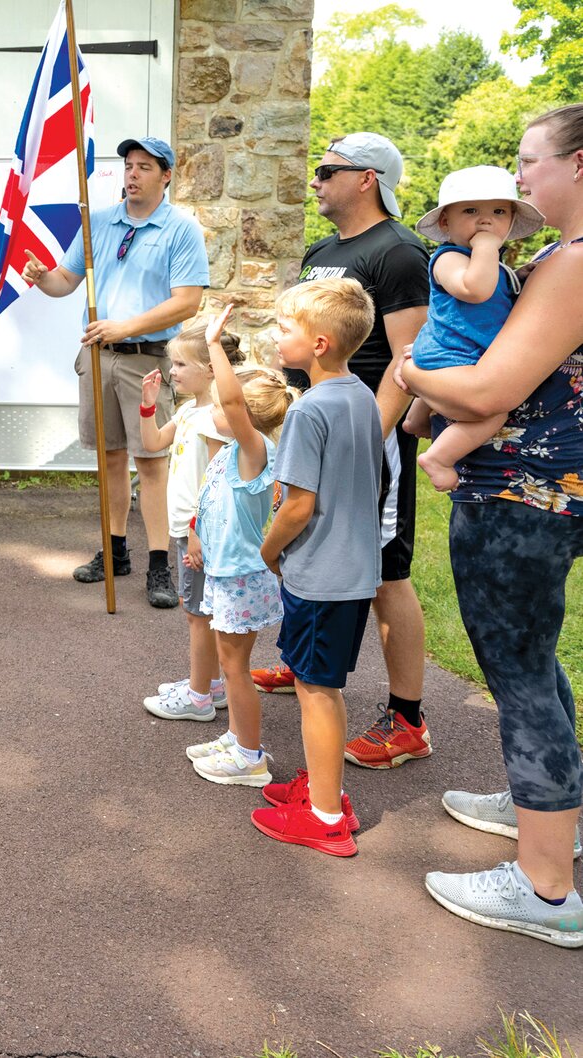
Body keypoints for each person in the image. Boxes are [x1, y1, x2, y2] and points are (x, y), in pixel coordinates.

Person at [401, 104, 583, 947]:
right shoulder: (553, 258)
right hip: (537, 489)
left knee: (515, 672)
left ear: (578, 166)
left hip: (524, 492)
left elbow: (481, 393)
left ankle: (547, 888)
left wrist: (408, 370)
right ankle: (542, 811)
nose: (518, 179)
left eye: (530, 160)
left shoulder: (573, 264)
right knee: (533, 659)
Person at [253, 132, 435, 774]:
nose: (315, 181)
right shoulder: (322, 251)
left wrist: (373, 437)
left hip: (368, 438)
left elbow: (409, 358)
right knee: (312, 543)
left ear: (367, 178)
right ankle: (307, 657)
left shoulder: (401, 250)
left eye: (328, 171)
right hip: (318, 426)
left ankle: (407, 720)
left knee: (386, 570)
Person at [23, 136, 210, 609]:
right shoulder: (98, 223)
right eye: (128, 165)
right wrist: (41, 276)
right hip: (98, 357)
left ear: (166, 175)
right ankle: (114, 552)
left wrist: (124, 326)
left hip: (147, 359)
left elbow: (188, 300)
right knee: (109, 458)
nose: (132, 174)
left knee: (151, 462)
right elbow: (66, 282)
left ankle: (159, 565)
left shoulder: (180, 229)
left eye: (144, 167)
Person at [252, 279, 382, 857]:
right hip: (352, 568)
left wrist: (268, 549)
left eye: (285, 328)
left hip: (320, 573)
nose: (277, 337)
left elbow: (297, 504)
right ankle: (323, 786)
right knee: (319, 684)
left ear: (321, 343)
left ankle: (327, 814)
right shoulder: (360, 396)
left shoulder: (307, 410)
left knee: (315, 690)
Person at [184, 308, 297, 788]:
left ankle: (249, 757)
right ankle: (236, 740)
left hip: (241, 580)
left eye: (224, 407)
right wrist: (196, 538)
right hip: (224, 575)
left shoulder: (256, 453)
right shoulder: (231, 452)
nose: (216, 409)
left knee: (235, 669)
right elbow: (210, 507)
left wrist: (213, 345)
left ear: (244, 418)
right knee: (230, 667)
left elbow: (231, 402)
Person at [403, 166, 545, 491]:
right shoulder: (448, 258)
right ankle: (438, 456)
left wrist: (518, 276)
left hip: (456, 353)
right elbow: (475, 290)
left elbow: (496, 291)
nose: (485, 221)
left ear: (510, 220)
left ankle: (415, 420)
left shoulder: (492, 266)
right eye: (471, 211)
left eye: (498, 212)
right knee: (495, 412)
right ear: (445, 222)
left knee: (451, 397)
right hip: (452, 357)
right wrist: (486, 246)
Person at [140, 321, 237, 721]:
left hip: (200, 532)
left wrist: (196, 531)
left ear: (211, 369)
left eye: (181, 364)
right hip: (189, 530)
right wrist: (148, 405)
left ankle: (198, 698)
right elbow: (152, 444)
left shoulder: (215, 419)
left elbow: (217, 480)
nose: (173, 371)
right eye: (172, 363)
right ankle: (210, 685)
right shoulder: (187, 410)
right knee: (199, 610)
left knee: (197, 614)